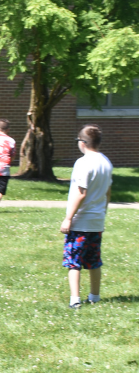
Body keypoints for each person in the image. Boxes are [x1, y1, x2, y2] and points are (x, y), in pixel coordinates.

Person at [60, 125, 112, 309]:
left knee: (73, 261)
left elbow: (81, 193)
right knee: (94, 260)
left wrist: (68, 218)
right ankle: (95, 296)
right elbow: (107, 192)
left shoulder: (83, 162)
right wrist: (103, 213)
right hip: (96, 221)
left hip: (81, 221)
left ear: (82, 143)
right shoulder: (106, 162)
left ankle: (75, 299)